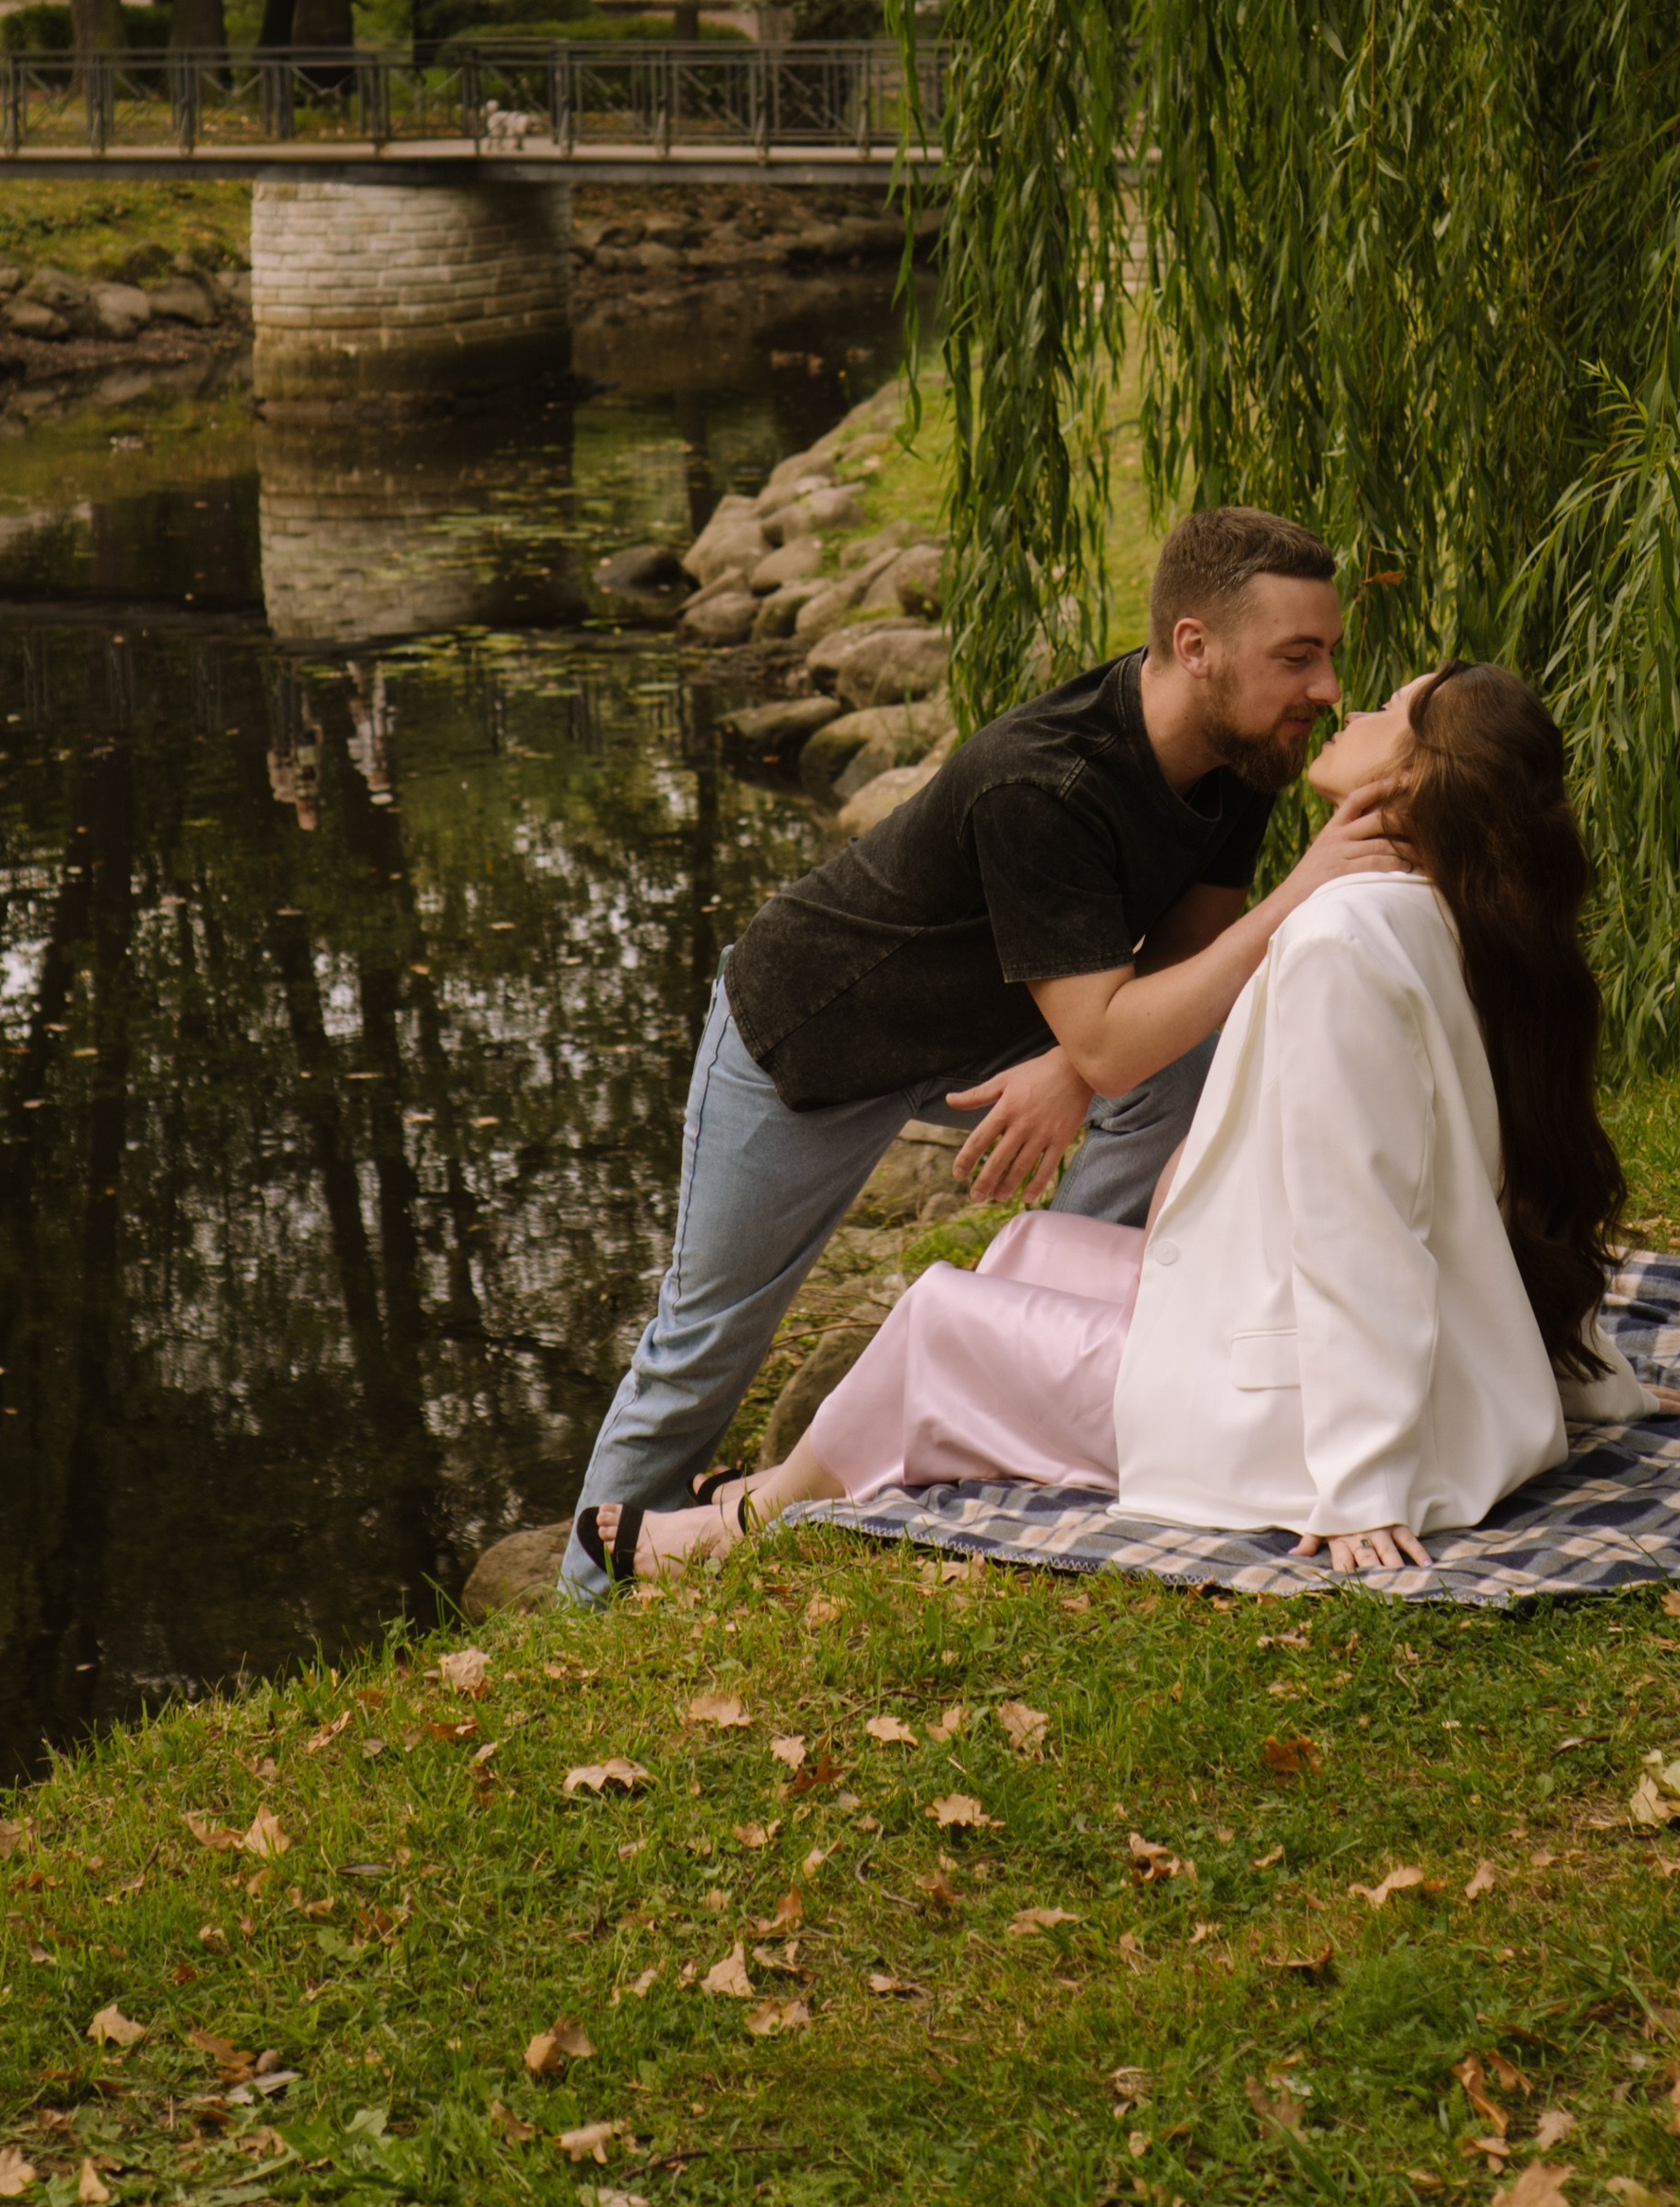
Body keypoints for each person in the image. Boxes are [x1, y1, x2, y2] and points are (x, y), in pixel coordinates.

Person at [589, 658, 1680, 1585]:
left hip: (1292, 1414)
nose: (1343, 704)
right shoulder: (1464, 908)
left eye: (1383, 712)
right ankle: (770, 1488)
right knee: (1027, 1246)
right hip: (1342, 1341)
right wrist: (1590, 1382)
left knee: (937, 1319)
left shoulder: (1343, 943)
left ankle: (740, 1524)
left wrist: (1359, 1485)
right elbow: (1520, 1180)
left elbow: (1363, 1224)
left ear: (1415, 774)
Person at [561, 505, 1405, 1601]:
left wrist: (1080, 1056)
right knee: (701, 1349)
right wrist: (1285, 905)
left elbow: (1189, 962)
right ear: (1195, 648)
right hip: (809, 1042)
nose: (1327, 689)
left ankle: (1041, 1369)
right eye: (1299, 657)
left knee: (1178, 1063)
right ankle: (584, 1605)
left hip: (1001, 1022)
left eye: (1328, 656)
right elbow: (1131, 1015)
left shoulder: (1238, 755)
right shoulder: (1043, 783)